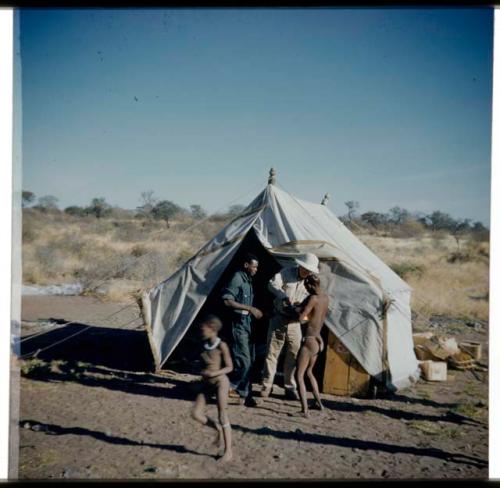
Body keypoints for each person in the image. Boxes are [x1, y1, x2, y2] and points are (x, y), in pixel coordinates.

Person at [259, 253, 320, 400]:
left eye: (309, 270)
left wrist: (303, 316)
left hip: (295, 323)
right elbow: (272, 284)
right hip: (279, 318)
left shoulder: (310, 282)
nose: (307, 272)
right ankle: (266, 386)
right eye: (305, 268)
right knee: (272, 354)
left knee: (293, 355)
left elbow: (315, 301)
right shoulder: (286, 273)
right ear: (300, 265)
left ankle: (289, 386)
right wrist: (283, 296)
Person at [221, 253, 263, 407]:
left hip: (246, 324)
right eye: (254, 266)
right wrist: (250, 308)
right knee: (243, 361)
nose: (256, 269)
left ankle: (246, 395)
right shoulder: (237, 278)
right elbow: (227, 300)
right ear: (246, 265)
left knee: (249, 361)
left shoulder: (248, 280)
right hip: (238, 325)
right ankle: (229, 387)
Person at [191, 314, 234, 463]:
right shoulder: (203, 345)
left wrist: (214, 373)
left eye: (204, 327)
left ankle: (228, 452)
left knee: (223, 415)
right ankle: (217, 427)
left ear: (212, 329)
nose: (201, 330)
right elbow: (203, 364)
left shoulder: (221, 345)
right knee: (196, 413)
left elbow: (229, 367)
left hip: (221, 382)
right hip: (207, 383)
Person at [296, 273, 329, 418]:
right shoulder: (325, 298)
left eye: (306, 287)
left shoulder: (313, 299)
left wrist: (298, 310)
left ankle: (304, 410)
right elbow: (318, 318)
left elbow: (302, 319)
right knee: (310, 373)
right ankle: (319, 404)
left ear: (310, 285)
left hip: (308, 340)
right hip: (316, 339)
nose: (306, 290)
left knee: (299, 376)